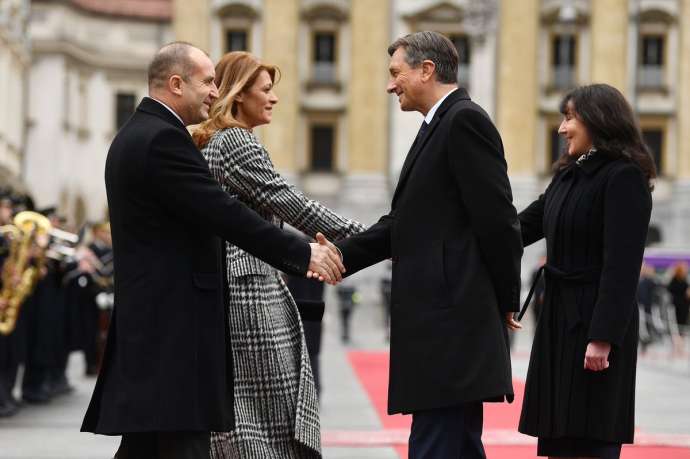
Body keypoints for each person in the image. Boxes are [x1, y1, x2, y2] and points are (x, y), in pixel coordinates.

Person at [80, 42, 344, 459]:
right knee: (179, 444)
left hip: (158, 324)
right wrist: (304, 252)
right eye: (206, 81)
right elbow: (224, 213)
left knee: (149, 446)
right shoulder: (162, 140)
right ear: (175, 83)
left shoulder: (141, 134)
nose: (213, 91)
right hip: (173, 329)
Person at [318, 31, 523, 458]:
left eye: (397, 73)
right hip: (443, 324)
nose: (391, 84)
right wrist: (341, 254)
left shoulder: (464, 121)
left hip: (450, 323)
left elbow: (499, 221)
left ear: (426, 70)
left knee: (437, 444)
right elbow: (403, 224)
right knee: (455, 444)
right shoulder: (439, 126)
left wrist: (505, 298)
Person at [192, 51, 365, 458]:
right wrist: (372, 237)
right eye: (266, 91)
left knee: (250, 411)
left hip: (240, 283)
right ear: (238, 94)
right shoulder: (235, 141)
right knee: (263, 412)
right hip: (250, 289)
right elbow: (292, 204)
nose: (273, 99)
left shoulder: (218, 140)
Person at [516, 84, 654, 459]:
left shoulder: (624, 177)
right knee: (560, 435)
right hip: (559, 319)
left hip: (595, 324)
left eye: (569, 117)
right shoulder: (565, 176)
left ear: (598, 120)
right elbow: (517, 230)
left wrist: (603, 337)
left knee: (592, 436)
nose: (561, 128)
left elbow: (622, 267)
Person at [667, 262, 689, 355]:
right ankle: (677, 346)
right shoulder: (675, 281)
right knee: (677, 326)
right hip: (677, 307)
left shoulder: (684, 281)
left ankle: (679, 346)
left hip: (683, 307)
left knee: (681, 326)